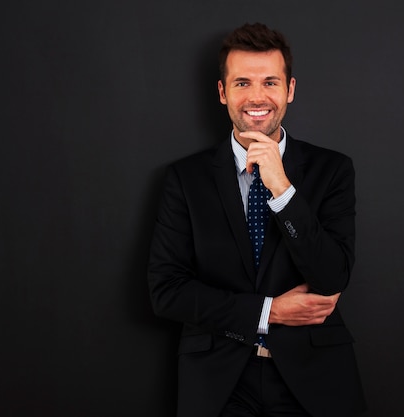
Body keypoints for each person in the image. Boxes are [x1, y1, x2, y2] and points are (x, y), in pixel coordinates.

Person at [147, 22, 366, 417]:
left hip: (314, 379)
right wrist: (268, 311)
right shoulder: (185, 179)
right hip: (219, 381)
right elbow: (166, 290)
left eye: (270, 82)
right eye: (242, 83)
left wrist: (283, 190)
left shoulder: (332, 170)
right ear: (222, 92)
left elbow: (333, 277)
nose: (257, 97)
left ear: (290, 90)